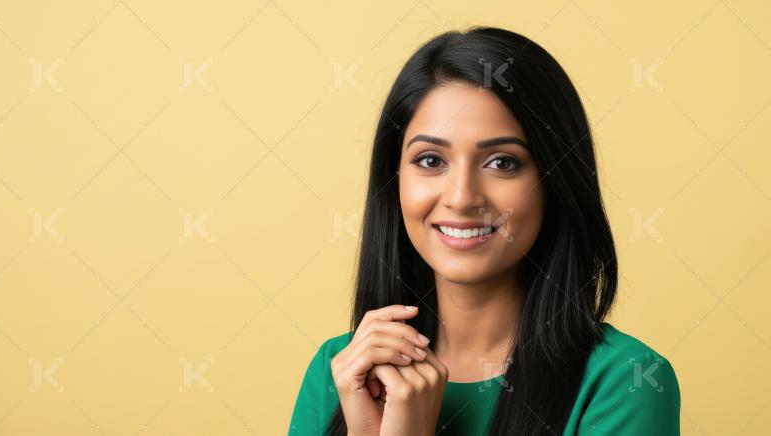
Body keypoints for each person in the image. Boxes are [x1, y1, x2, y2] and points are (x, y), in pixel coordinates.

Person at [289, 26, 681, 435]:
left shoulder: (627, 380)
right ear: (394, 179)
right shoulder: (340, 370)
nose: (461, 198)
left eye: (502, 162)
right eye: (429, 161)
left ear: (555, 180)